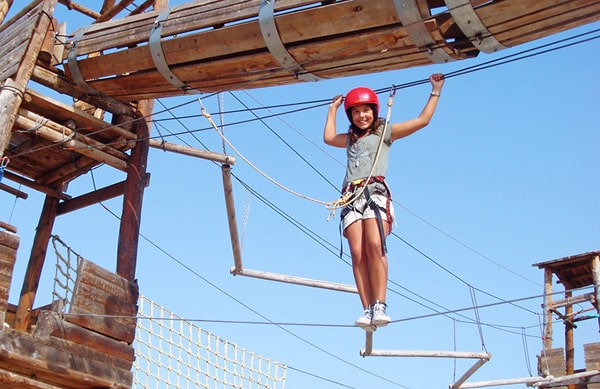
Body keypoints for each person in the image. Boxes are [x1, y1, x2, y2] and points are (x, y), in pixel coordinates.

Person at [323, 73, 445, 330]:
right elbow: (328, 137)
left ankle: (380, 303)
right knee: (357, 253)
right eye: (356, 112)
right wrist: (332, 109)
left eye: (366, 111)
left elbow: (422, 121)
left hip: (374, 193)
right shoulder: (350, 140)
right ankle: (366, 308)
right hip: (351, 196)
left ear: (374, 111)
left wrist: (435, 90)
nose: (361, 116)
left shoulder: (384, 132)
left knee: (375, 245)